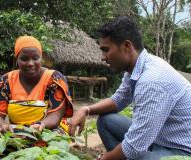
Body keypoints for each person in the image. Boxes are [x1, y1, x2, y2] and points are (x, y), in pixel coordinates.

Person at [69, 17, 191, 160]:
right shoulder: (136, 68)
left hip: (181, 150)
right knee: (106, 121)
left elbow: (134, 147)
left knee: (138, 156)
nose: (102, 58)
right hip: (158, 140)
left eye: (106, 50)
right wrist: (86, 109)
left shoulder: (152, 80)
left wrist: (104, 158)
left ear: (127, 46)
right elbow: (119, 100)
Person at [0, 36, 73, 134]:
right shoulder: (6, 81)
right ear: (17, 60)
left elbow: (55, 116)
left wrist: (41, 125)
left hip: (48, 129)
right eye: (24, 59)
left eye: (35, 58)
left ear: (41, 58)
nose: (30, 63)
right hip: (17, 131)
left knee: (48, 141)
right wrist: (2, 126)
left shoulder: (54, 79)